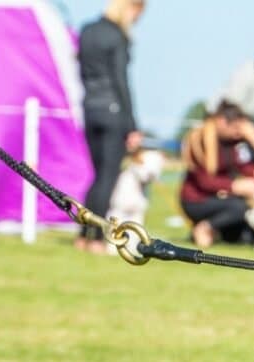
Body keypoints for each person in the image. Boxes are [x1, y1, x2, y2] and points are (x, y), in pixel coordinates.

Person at [76, 0, 145, 254]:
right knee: (108, 177)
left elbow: (82, 71)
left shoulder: (87, 30)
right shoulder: (117, 36)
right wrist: (132, 125)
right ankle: (96, 237)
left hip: (90, 108)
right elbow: (120, 80)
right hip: (113, 112)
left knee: (96, 176)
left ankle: (83, 233)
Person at [180, 102, 254, 248]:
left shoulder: (232, 142)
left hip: (223, 198)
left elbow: (241, 164)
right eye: (236, 128)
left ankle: (210, 231)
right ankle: (205, 228)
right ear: (222, 122)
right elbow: (204, 181)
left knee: (247, 237)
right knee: (241, 207)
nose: (239, 133)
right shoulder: (198, 140)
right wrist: (234, 186)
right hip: (197, 200)